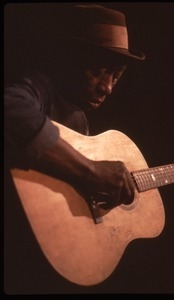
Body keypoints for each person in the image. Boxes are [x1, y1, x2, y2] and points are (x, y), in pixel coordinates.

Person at [4, 3, 146, 293]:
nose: (107, 87)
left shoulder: (77, 117)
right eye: (97, 71)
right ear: (66, 59)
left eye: (116, 76)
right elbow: (10, 109)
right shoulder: (39, 87)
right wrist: (92, 172)